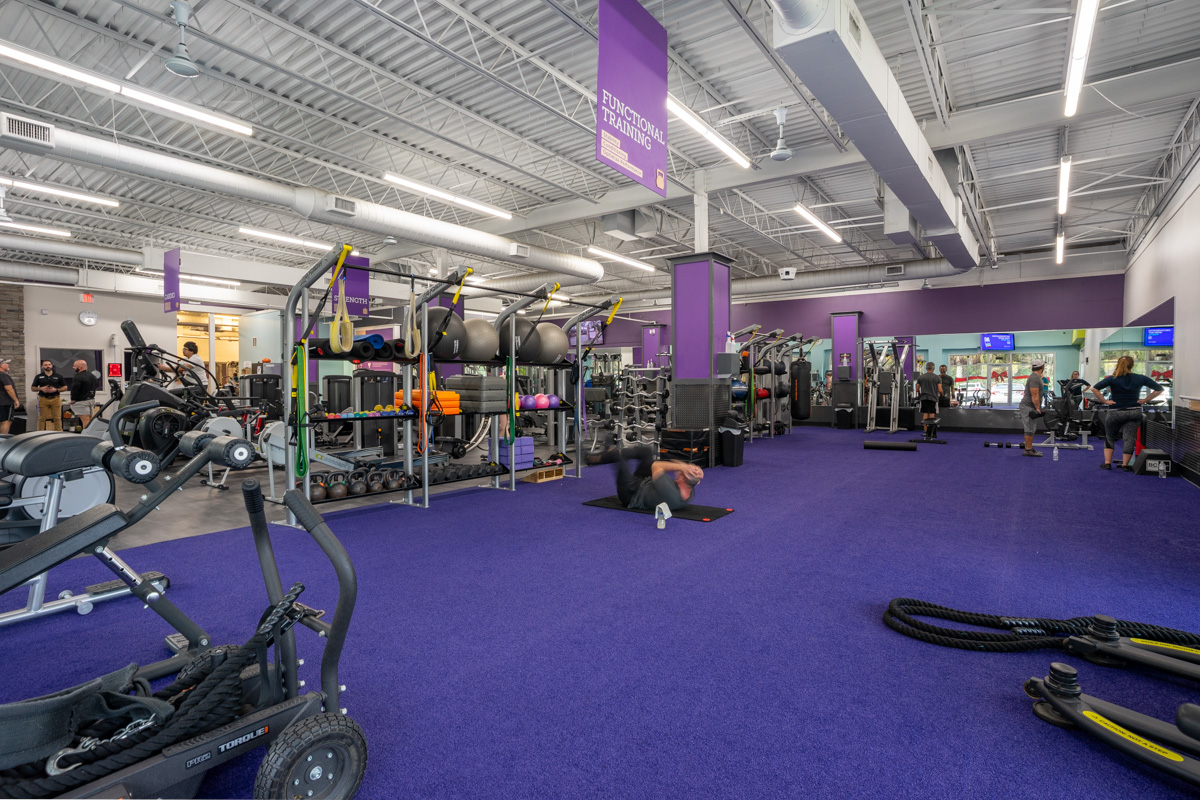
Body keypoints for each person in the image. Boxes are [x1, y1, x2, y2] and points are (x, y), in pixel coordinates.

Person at [1090, 355, 1164, 471]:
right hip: (1134, 412)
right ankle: (1125, 465)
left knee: (1110, 436)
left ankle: (1107, 463)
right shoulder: (1140, 378)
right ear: (1132, 365)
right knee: (1129, 438)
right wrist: (1145, 400)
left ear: (1118, 365)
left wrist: (1104, 401)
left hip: (1116, 412)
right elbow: (1159, 389)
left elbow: (1094, 389)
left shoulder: (1112, 378)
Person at [589, 441, 703, 512]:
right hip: (645, 483)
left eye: (682, 473)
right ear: (697, 483)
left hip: (631, 493)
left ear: (682, 478)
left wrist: (682, 467)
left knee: (616, 457)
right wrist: (687, 467)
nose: (679, 473)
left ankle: (593, 459)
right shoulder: (689, 490)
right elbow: (675, 464)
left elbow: (656, 466)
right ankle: (612, 453)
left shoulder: (671, 493)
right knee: (646, 451)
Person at [1019, 359, 1046, 457]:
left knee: (1032, 428)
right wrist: (1038, 408)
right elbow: (1034, 394)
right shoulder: (1034, 378)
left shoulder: (1036, 377)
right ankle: (1027, 450)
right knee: (1029, 428)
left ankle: (1029, 448)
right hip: (1028, 406)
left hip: (1031, 406)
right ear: (1042, 367)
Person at [31, 359, 65, 431]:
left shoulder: (58, 376)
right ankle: (40, 434)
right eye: (45, 365)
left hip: (55, 398)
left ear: (52, 366)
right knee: (41, 418)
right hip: (43, 399)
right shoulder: (38, 376)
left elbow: (65, 387)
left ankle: (59, 433)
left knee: (57, 418)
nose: (48, 366)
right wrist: (41, 389)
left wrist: (56, 389)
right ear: (42, 367)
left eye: (49, 364)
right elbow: (33, 388)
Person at [915, 362, 943, 439]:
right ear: (933, 369)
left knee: (925, 414)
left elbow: (917, 389)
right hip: (933, 398)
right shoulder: (937, 378)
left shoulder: (921, 377)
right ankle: (931, 432)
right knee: (931, 414)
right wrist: (942, 395)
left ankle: (925, 431)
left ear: (926, 368)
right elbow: (940, 389)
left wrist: (920, 394)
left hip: (923, 398)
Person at [69, 359, 98, 428]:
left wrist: (73, 399)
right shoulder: (92, 376)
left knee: (85, 419)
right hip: (91, 400)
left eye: (75, 366)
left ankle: (86, 436)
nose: (73, 367)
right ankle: (90, 434)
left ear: (80, 367)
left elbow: (75, 389)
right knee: (89, 419)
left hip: (81, 402)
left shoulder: (77, 376)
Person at [0, 358, 20, 435]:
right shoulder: (4, 375)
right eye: (6, 363)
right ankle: (3, 442)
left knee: (1, 421)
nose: (8, 365)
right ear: (1, 365)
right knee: (7, 421)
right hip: (5, 402)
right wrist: (16, 400)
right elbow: (9, 389)